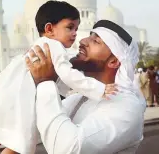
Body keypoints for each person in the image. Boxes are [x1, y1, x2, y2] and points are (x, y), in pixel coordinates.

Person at [0, 1, 116, 154]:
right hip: (25, 98)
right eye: (70, 27)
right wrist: (99, 89)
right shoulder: (55, 46)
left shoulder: (41, 43)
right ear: (49, 29)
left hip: (10, 91)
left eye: (76, 29)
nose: (75, 33)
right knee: (19, 141)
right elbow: (68, 75)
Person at [26, 19, 146, 154]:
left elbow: (67, 149)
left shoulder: (127, 107)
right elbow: (31, 128)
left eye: (96, 41)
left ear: (113, 62)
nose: (82, 41)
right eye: (89, 36)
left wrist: (45, 81)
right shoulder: (78, 98)